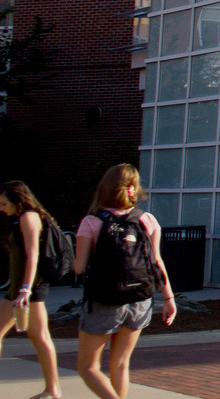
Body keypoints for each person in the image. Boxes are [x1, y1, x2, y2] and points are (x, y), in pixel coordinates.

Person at [72, 164, 175, 399]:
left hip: (105, 299)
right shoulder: (148, 220)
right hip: (140, 299)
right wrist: (169, 298)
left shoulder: (91, 222)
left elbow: (78, 267)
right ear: (134, 189)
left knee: (88, 368)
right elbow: (157, 261)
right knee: (120, 364)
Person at [2, 180, 63, 399]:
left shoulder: (29, 217)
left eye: (3, 202)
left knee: (41, 337)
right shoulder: (21, 219)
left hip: (30, 289)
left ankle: (53, 390)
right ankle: (53, 390)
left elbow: (34, 254)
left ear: (17, 200)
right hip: (20, 289)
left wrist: (26, 289)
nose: (1, 207)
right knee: (39, 336)